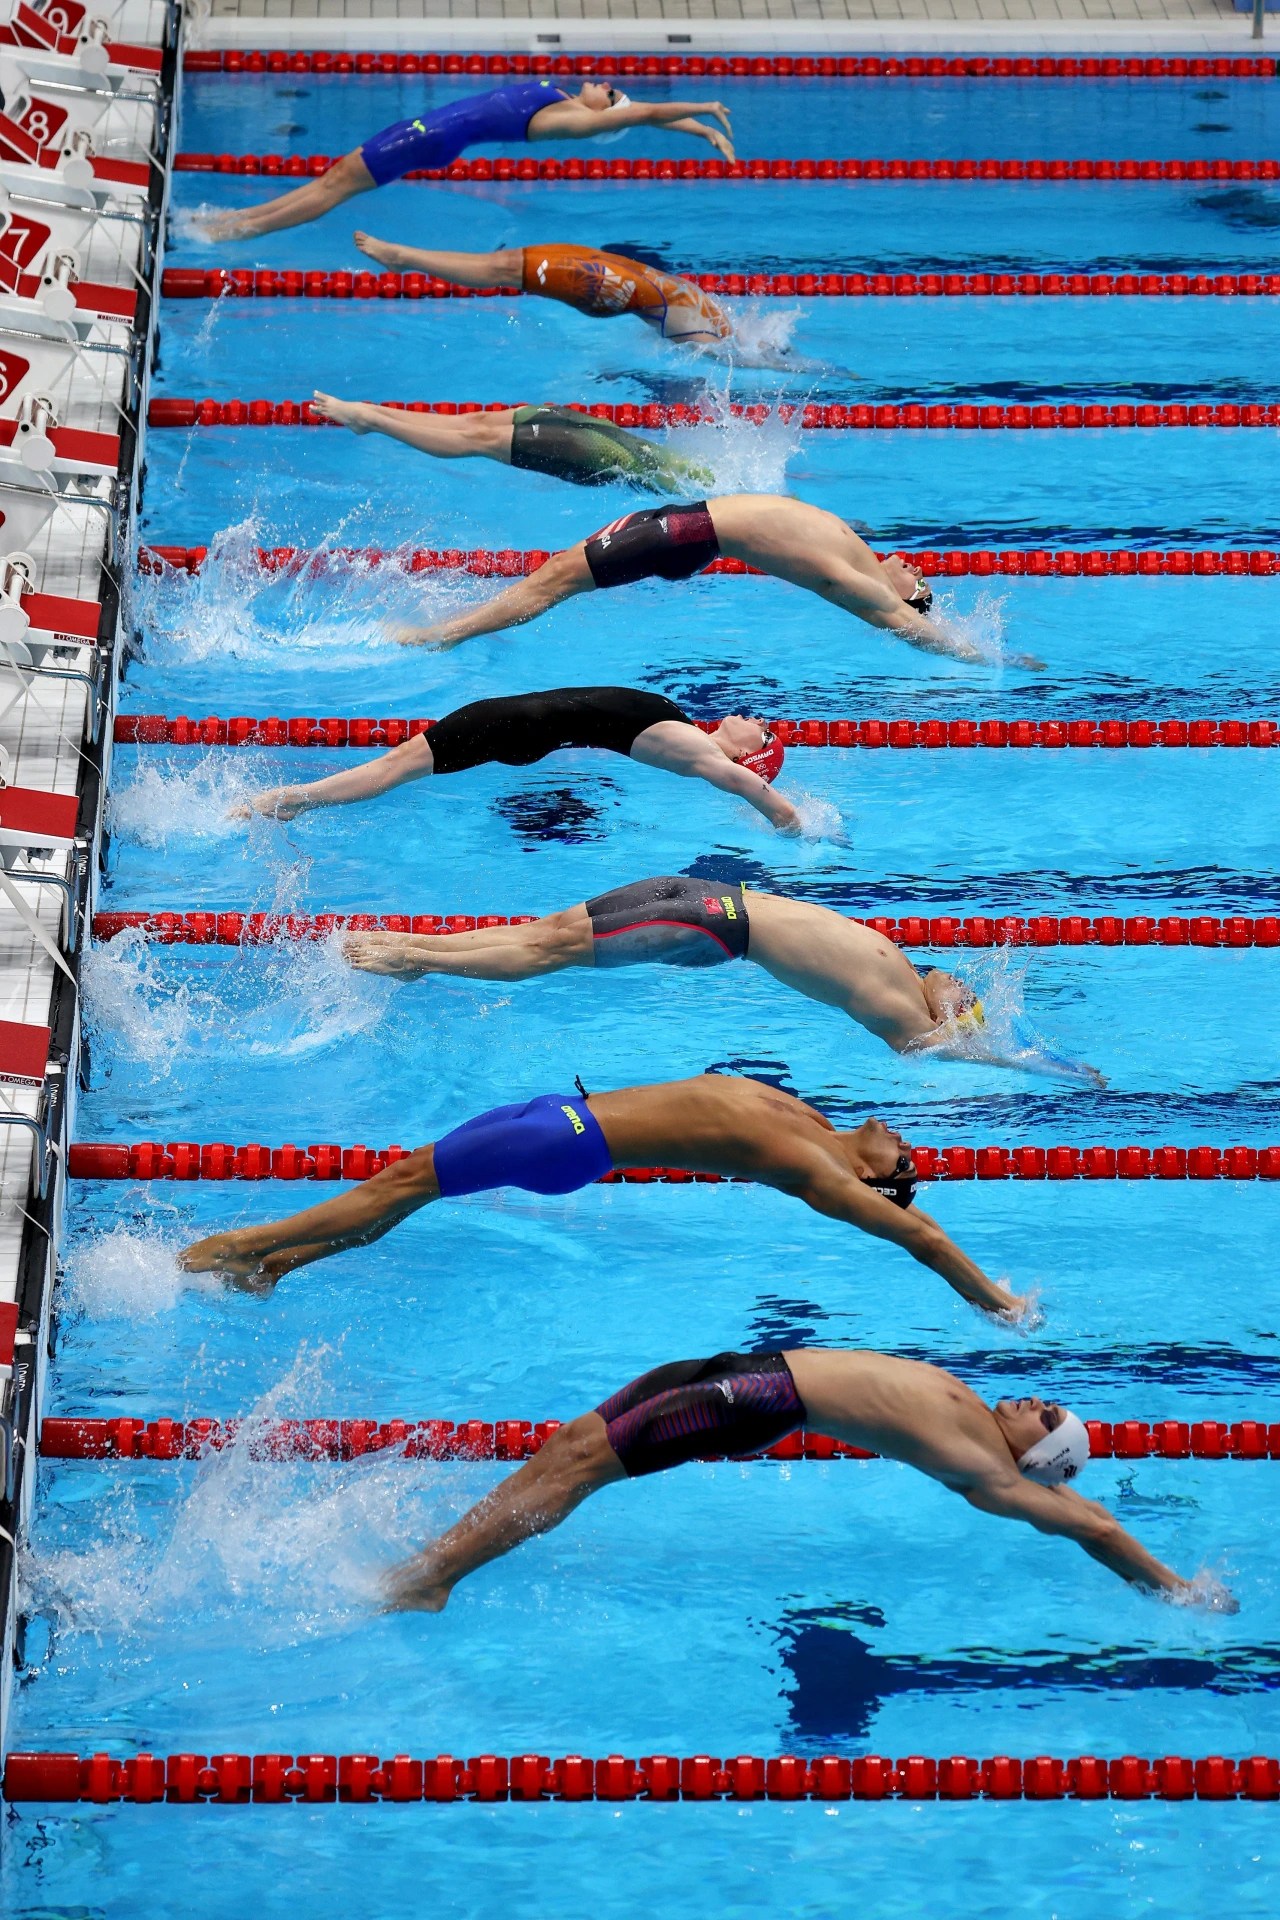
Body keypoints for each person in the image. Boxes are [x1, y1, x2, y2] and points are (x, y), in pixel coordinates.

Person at [377, 1348, 1234, 1613]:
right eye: (1049, 1402)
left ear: (1035, 1459)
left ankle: (432, 1579)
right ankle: (437, 1560)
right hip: (750, 1368)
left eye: (1047, 1419)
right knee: (574, 1444)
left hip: (760, 1395)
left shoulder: (984, 1468)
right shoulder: (979, 1417)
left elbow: (1092, 1526)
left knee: (584, 1469)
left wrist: (1177, 1587)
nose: (1037, 1400)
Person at [179, 1075, 1026, 1318]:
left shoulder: (823, 1174)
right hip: (558, 1116)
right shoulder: (814, 1118)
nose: (912, 1142)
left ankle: (226, 1249)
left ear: (880, 1181)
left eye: (911, 1160)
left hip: (566, 1139)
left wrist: (999, 1300)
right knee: (407, 1195)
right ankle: (278, 1265)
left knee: (397, 1183)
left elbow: (926, 1242)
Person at [343, 878, 1103, 1083]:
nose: (963, 991)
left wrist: (1006, 1045)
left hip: (701, 893)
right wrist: (1022, 1063)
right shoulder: (901, 995)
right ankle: (413, 959)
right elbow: (936, 1049)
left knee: (548, 937)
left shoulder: (902, 974)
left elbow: (945, 1012)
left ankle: (411, 948)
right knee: (549, 953)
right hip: (708, 925)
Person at [384, 494, 1045, 669]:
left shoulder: (863, 582)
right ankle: (457, 625)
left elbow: (907, 627)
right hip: (684, 526)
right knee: (555, 574)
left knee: (553, 583)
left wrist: (979, 652)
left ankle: (444, 634)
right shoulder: (860, 555)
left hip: (686, 533)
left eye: (919, 578)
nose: (916, 565)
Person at [203, 80, 735, 241]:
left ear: (606, 116)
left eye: (608, 90)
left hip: (429, 138)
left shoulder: (569, 121)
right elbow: (642, 113)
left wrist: (705, 107)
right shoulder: (570, 105)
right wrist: (699, 132)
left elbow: (641, 114)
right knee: (334, 179)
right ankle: (237, 223)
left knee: (336, 186)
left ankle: (240, 229)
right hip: (431, 132)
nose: (599, 81)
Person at [236, 684, 800, 834]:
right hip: (528, 728)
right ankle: (289, 805)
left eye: (765, 729)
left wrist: (794, 821)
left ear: (755, 751)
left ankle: (282, 803)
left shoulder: (698, 750)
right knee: (395, 770)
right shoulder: (682, 733)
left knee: (390, 770)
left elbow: (744, 787)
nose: (755, 717)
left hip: (519, 723)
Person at [350, 235, 733, 348]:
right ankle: (406, 256)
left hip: (612, 287)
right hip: (621, 280)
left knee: (502, 267)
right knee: (505, 261)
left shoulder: (708, 331)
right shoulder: (716, 321)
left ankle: (404, 257)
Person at [309, 393, 716, 496]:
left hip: (601, 453)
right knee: (479, 422)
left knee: (480, 438)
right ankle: (372, 414)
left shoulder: (727, 494)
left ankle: (372, 420)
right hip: (602, 431)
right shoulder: (735, 480)